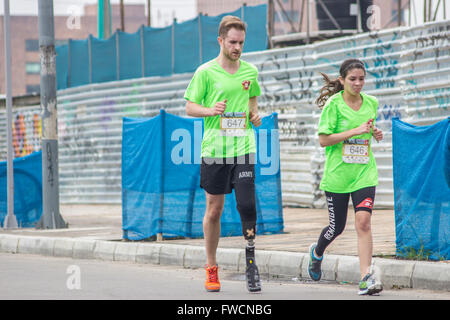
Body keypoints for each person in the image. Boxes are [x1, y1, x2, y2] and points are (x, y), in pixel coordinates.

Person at [184, 15, 262, 293]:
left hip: (243, 147)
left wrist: (254, 114)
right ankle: (211, 266)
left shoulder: (250, 72)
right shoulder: (205, 72)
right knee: (214, 210)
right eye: (232, 42)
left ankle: (251, 263)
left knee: (246, 204)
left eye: (241, 42)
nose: (237, 47)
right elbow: (190, 107)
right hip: (215, 150)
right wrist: (210, 111)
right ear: (220, 41)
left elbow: (253, 99)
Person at [309, 58, 384, 295]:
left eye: (362, 79)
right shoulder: (334, 104)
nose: (358, 83)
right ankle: (317, 252)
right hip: (338, 176)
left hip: (364, 173)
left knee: (363, 222)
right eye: (353, 79)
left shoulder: (372, 102)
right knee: (337, 227)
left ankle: (366, 277)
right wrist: (356, 131)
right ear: (342, 80)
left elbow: (367, 130)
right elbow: (324, 140)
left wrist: (375, 133)